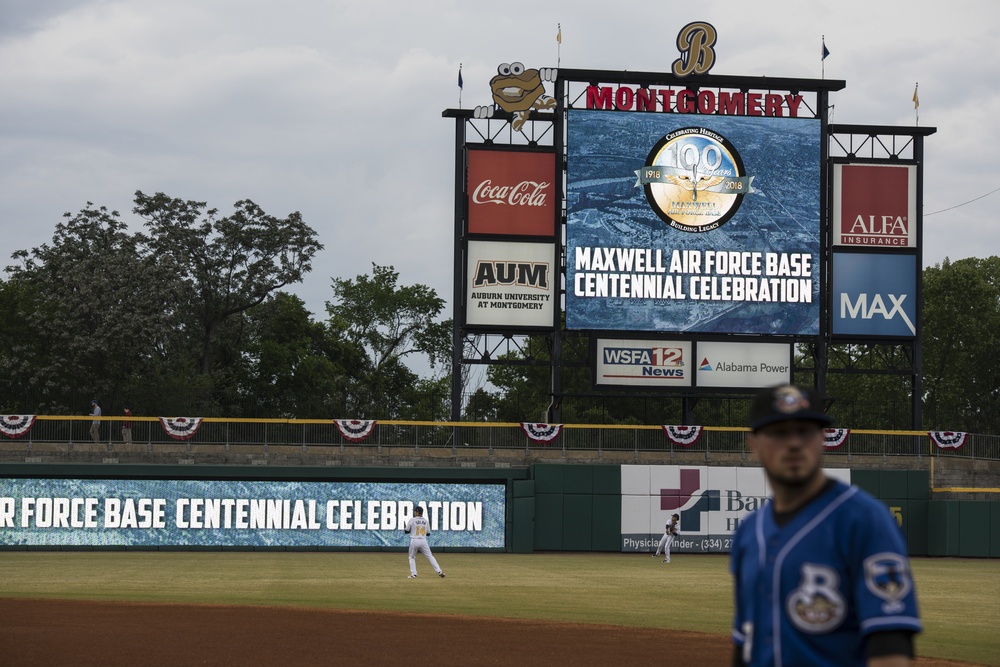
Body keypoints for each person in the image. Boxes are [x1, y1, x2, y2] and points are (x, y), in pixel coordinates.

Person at [730, 384, 922, 667]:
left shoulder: (864, 519)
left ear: (822, 439)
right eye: (779, 432)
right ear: (754, 444)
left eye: (805, 431)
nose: (794, 443)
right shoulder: (749, 531)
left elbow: (891, 646)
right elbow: (745, 643)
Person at [403, 505, 445, 579]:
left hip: (414, 540)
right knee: (430, 556)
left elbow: (406, 531)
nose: (414, 512)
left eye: (415, 511)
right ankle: (439, 571)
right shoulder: (425, 521)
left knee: (411, 557)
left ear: (417, 512)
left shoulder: (412, 520)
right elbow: (428, 533)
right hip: (423, 540)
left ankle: (414, 574)